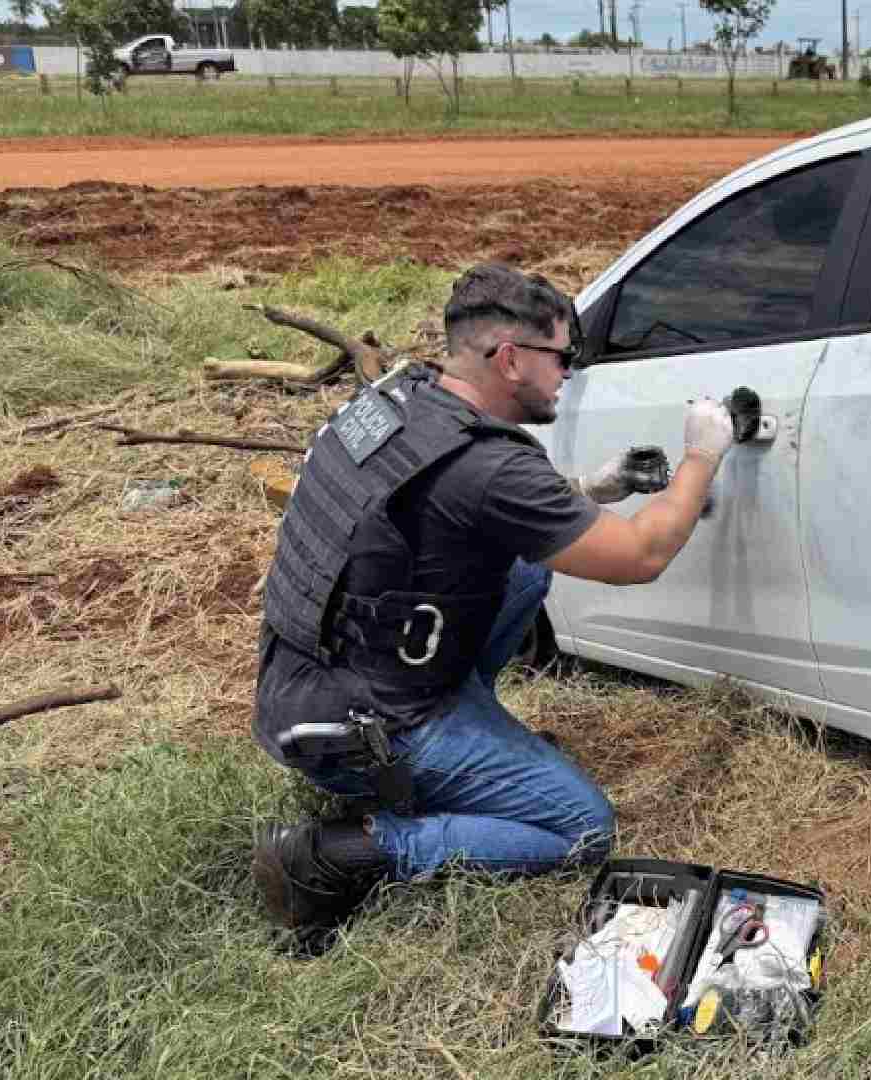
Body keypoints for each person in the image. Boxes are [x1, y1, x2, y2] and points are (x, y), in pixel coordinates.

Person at [249, 262, 734, 946]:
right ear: (509, 358)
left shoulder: (401, 399)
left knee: (525, 575)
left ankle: (467, 743)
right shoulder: (491, 466)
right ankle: (344, 849)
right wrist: (701, 459)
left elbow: (439, 516)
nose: (570, 372)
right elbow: (639, 556)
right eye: (563, 356)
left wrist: (583, 492)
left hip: (304, 679)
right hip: (364, 726)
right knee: (580, 828)